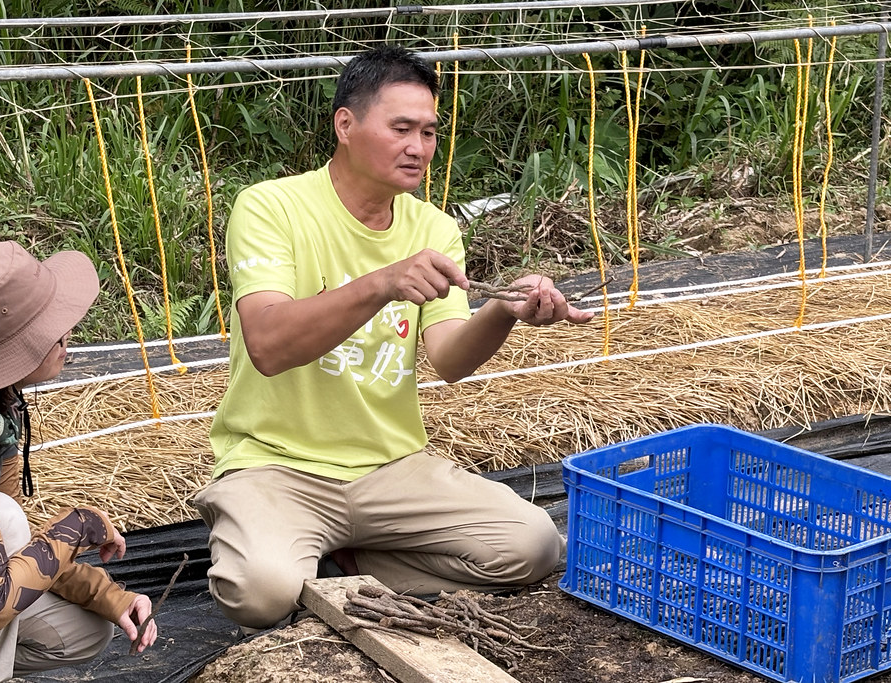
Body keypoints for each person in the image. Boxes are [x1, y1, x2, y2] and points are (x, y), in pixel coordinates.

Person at [195, 44, 595, 630]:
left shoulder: (433, 227)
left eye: (430, 132)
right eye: (401, 127)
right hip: (276, 465)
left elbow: (450, 358)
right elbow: (269, 345)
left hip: (391, 469)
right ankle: (291, 544)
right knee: (259, 594)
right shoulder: (271, 207)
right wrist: (381, 283)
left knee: (533, 547)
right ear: (346, 125)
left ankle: (353, 558)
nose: (419, 147)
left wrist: (504, 308)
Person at [0, 240, 158, 682]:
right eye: (53, 327)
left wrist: (109, 596)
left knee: (83, 631)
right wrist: (79, 525)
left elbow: (14, 553)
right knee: (3, 517)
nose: (67, 334)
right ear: (10, 349)